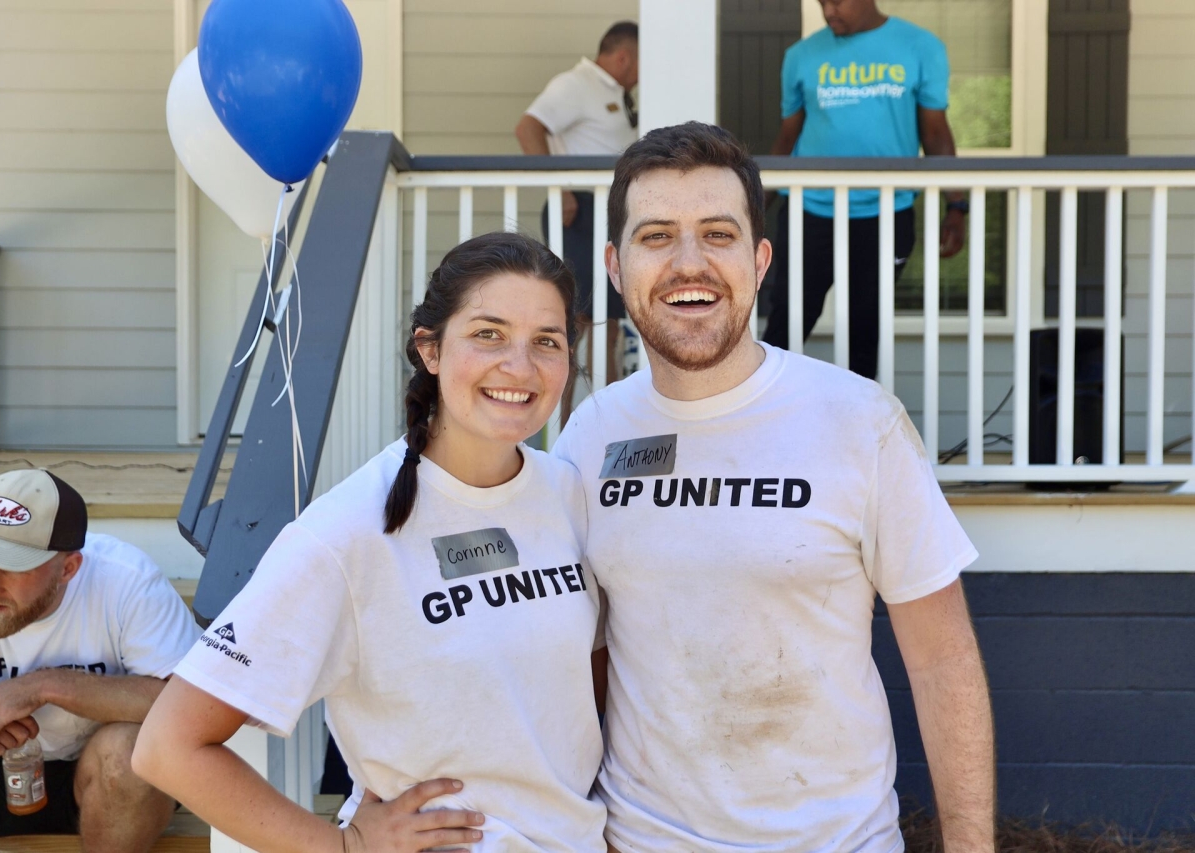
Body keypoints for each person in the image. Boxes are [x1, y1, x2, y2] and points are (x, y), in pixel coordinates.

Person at [554, 122, 995, 853]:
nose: (688, 263)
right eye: (657, 235)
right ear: (614, 263)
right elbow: (569, 651)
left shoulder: (861, 422)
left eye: (718, 234)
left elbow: (943, 659)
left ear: (760, 261)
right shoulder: (588, 439)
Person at [133, 232, 609, 853]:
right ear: (430, 350)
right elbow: (169, 747)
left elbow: (585, 686)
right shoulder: (346, 534)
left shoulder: (567, 493)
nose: (520, 367)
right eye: (488, 334)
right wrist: (344, 847)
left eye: (546, 342)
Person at [0, 469, 200, 853]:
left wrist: (45, 686)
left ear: (68, 569)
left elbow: (189, 704)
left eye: (11, 569)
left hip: (101, 778)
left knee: (131, 752)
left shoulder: (126, 581)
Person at [764, 0, 966, 380]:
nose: (828, 11)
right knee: (786, 325)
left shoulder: (920, 47)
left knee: (865, 329)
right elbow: (787, 139)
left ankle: (862, 433)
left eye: (837, 2)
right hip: (810, 212)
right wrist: (752, 213)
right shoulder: (801, 56)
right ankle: (764, 428)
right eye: (822, 2)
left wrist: (957, 206)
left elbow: (936, 134)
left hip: (884, 215)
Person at [517, 20, 639, 411]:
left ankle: (605, 416)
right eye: (640, 64)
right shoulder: (575, 83)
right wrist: (562, 187)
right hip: (578, 210)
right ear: (624, 57)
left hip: (606, 211)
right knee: (576, 318)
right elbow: (528, 128)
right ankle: (561, 421)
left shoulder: (618, 95)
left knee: (609, 320)